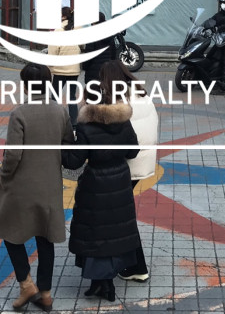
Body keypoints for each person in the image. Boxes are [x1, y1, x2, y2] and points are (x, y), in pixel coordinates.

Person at [0, 63, 74, 312]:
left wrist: (4, 174)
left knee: (8, 231)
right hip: (50, 184)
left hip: (21, 185)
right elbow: (68, 142)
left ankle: (26, 284)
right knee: (45, 237)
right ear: (48, 84)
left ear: (26, 85)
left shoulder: (19, 113)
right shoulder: (60, 111)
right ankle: (45, 294)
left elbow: (13, 154)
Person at [63, 75, 141, 302]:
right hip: (120, 180)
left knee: (95, 232)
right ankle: (104, 284)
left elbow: (73, 162)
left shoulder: (86, 126)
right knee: (113, 231)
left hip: (95, 183)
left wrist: (65, 142)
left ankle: (101, 283)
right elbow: (133, 150)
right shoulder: (123, 121)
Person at [97, 60, 158, 284]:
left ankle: (137, 267)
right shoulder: (141, 94)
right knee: (121, 214)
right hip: (143, 162)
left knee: (120, 217)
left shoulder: (116, 101)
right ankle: (129, 262)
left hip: (126, 165)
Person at [47, 6, 82, 128]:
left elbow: (52, 51)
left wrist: (50, 67)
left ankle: (56, 121)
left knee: (55, 96)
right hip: (74, 70)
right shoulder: (78, 29)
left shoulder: (58, 31)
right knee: (72, 97)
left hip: (60, 70)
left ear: (63, 16)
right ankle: (74, 123)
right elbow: (83, 45)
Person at [82, 12, 116, 87]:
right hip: (107, 70)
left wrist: (84, 67)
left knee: (94, 92)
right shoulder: (109, 35)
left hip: (93, 71)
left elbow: (89, 55)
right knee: (106, 91)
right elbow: (113, 54)